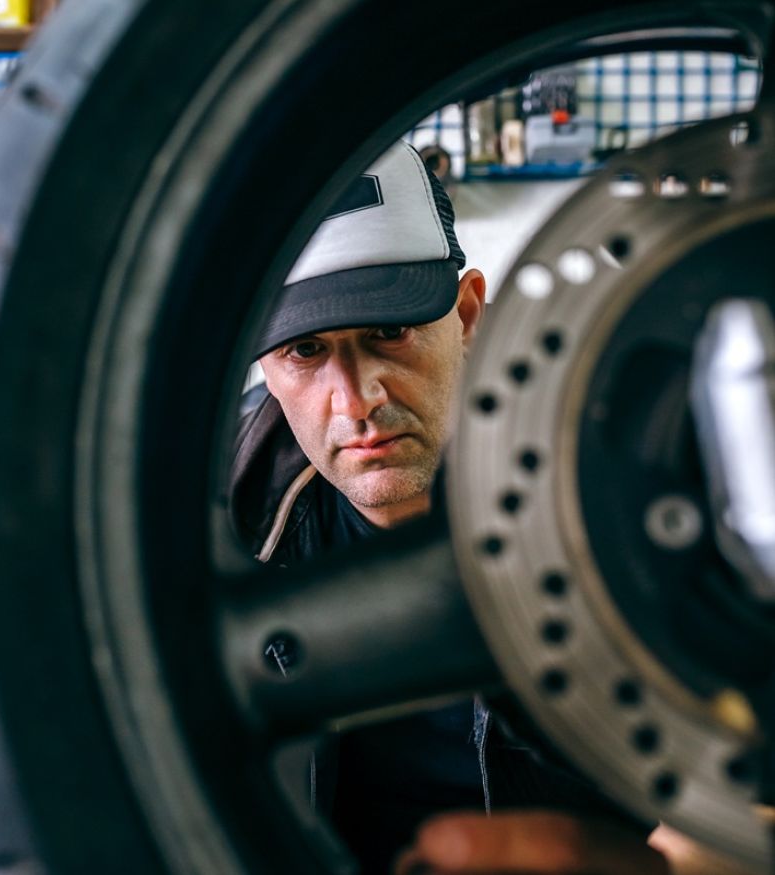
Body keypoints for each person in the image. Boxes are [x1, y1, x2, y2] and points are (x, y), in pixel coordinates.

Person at [229, 141, 668, 874]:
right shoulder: (208, 514)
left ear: (466, 314)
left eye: (389, 333)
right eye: (305, 350)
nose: (358, 399)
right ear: (263, 365)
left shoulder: (623, 478)